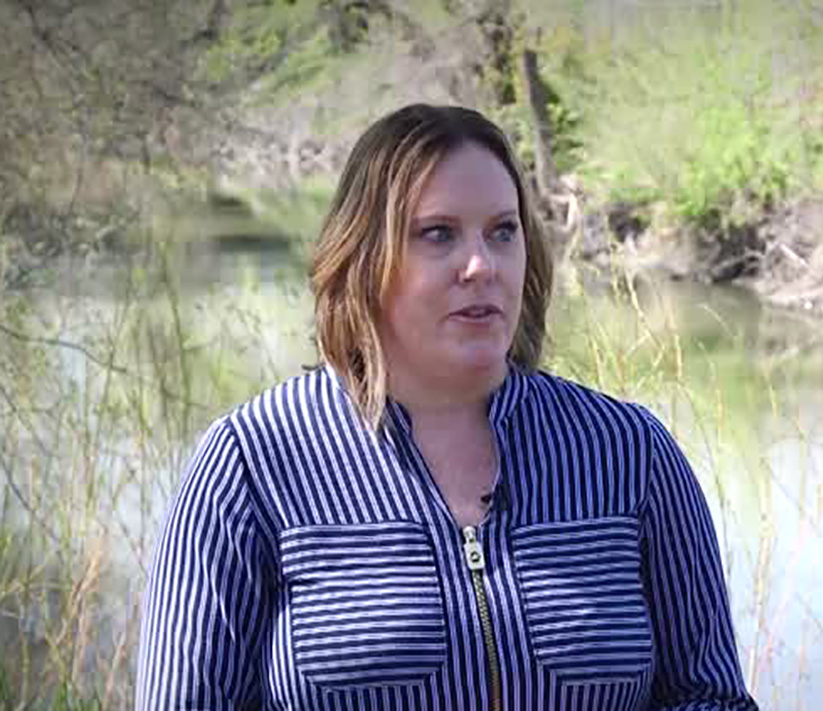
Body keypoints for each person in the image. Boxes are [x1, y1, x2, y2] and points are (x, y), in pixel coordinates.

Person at [135, 104, 757, 711]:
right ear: (363, 257)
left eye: (502, 232)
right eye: (438, 234)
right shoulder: (250, 463)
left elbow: (710, 697)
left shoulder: (627, 452)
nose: (482, 264)